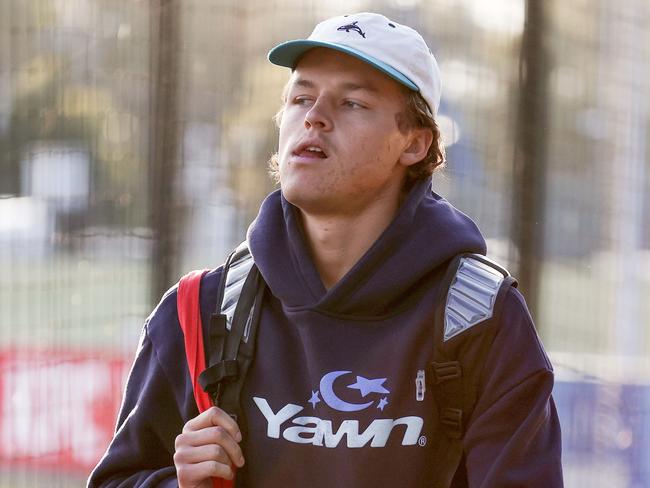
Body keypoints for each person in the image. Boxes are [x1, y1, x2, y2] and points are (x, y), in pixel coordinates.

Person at [88, 12, 563, 488]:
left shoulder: (483, 319)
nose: (314, 115)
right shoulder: (199, 311)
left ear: (415, 144)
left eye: (353, 102)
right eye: (300, 97)